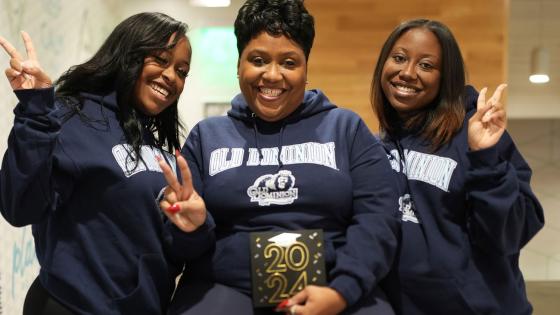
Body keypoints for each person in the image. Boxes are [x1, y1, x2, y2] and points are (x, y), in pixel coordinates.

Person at [156, 0, 400, 314]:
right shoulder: (207, 137)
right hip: (224, 287)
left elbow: (378, 220)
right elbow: (182, 247)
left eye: (289, 62)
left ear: (306, 68)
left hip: (334, 287)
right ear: (239, 64)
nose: (272, 75)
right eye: (258, 60)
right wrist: (190, 228)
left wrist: (342, 290)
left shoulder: (346, 129)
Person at [0, 12, 191, 314]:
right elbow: (19, 206)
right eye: (161, 60)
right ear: (128, 54)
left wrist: (197, 224)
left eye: (182, 71)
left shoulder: (152, 143)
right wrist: (36, 112)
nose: (172, 76)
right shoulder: (71, 116)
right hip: (70, 306)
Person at [370, 18, 545, 314]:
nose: (408, 72)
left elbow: (514, 233)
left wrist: (485, 160)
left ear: (445, 77)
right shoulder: (378, 145)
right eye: (399, 58)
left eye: (426, 65)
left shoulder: (477, 135)